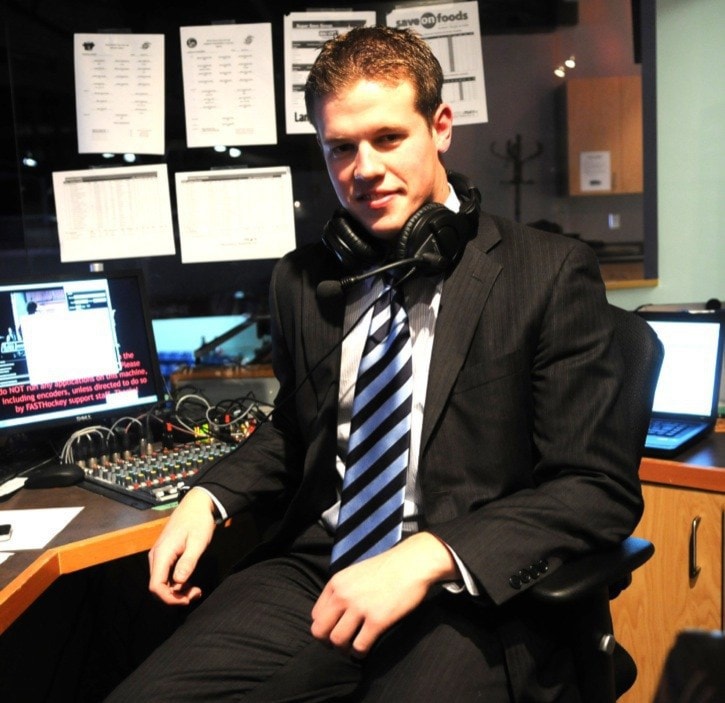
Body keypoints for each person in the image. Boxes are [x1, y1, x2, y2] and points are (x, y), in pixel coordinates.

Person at [106, 26, 642, 702]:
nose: (363, 167)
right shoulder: (302, 279)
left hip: (470, 593)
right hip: (319, 568)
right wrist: (206, 496)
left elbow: (594, 487)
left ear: (439, 126)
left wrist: (429, 554)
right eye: (340, 147)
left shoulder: (547, 274)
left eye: (388, 137)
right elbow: (294, 429)